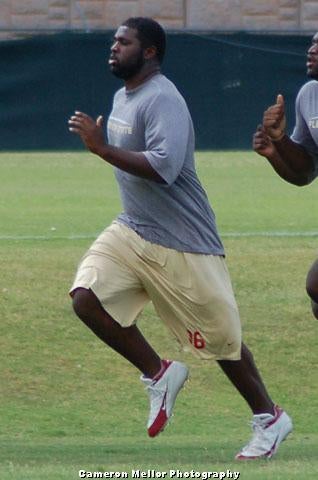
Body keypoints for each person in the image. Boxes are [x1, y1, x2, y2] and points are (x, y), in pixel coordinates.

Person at [68, 16, 292, 460]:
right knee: (85, 298)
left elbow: (165, 168)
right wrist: (104, 149)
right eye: (113, 41)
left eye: (124, 42)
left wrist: (101, 149)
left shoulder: (163, 98)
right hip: (133, 228)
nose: (113, 47)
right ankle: (159, 373)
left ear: (150, 51)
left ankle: (269, 418)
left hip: (184, 241)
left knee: (224, 344)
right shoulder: (121, 96)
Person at [253, 32, 318, 319]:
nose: (311, 49)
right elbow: (304, 172)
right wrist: (277, 143)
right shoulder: (310, 95)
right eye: (312, 42)